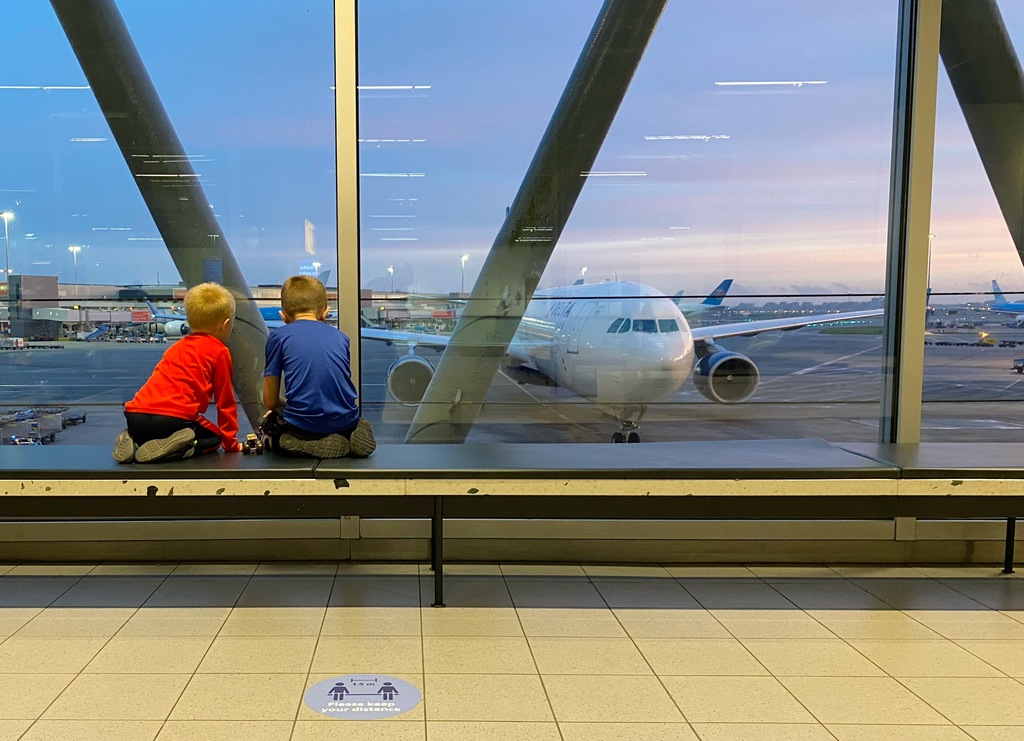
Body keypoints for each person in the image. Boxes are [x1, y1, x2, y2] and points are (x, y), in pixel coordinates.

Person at [113, 282, 243, 463]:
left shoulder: (175, 348)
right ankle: (177, 447)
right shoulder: (219, 351)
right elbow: (225, 402)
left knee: (154, 429)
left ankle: (134, 438)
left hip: (135, 415)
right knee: (215, 439)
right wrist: (231, 444)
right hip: (174, 419)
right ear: (226, 324)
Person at [261, 275, 375, 458]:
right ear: (325, 312)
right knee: (345, 416)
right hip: (346, 419)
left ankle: (301, 442)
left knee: (270, 423)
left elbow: (269, 400)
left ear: (283, 316)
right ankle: (353, 431)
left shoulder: (278, 337)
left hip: (304, 425)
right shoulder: (341, 337)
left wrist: (283, 408)